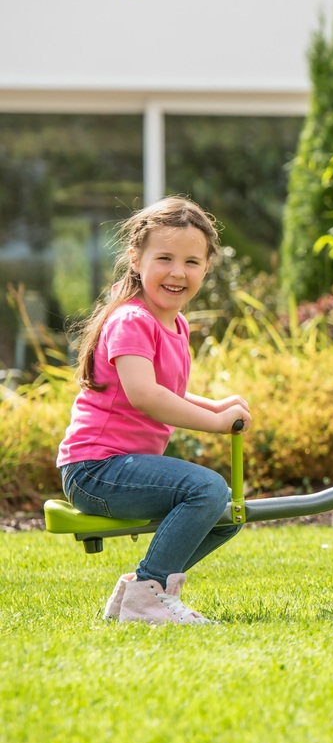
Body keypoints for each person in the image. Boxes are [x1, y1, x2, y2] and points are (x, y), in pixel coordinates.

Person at [57, 197, 251, 625]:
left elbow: (165, 391)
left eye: (191, 261)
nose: (178, 272)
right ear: (135, 259)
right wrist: (215, 423)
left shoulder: (173, 323)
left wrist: (214, 404)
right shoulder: (132, 320)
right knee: (208, 489)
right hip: (95, 468)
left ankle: (139, 591)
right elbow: (146, 395)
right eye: (164, 258)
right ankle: (149, 592)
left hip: (117, 466)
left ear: (206, 267)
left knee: (225, 513)